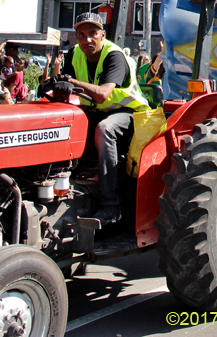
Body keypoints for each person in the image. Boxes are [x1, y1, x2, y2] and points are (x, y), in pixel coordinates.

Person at [50, 12, 149, 224]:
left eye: (93, 33)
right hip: (95, 110)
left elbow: (102, 94)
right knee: (60, 121)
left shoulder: (114, 56)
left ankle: (111, 205)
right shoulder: (74, 54)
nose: (87, 39)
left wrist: (71, 81)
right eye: (81, 34)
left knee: (105, 129)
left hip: (128, 112)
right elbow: (67, 84)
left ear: (102, 35)